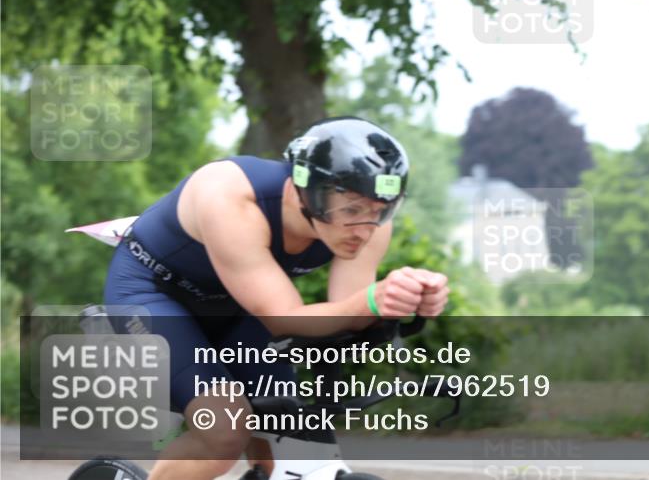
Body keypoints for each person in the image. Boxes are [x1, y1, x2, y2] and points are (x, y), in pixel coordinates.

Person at [103, 116, 449, 480]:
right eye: (351, 210)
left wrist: (406, 300)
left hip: (235, 307)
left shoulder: (370, 220)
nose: (364, 228)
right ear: (307, 192)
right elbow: (284, 318)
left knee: (285, 433)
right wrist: (373, 300)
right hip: (152, 295)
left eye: (380, 211)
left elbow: (344, 313)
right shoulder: (230, 197)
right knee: (224, 433)